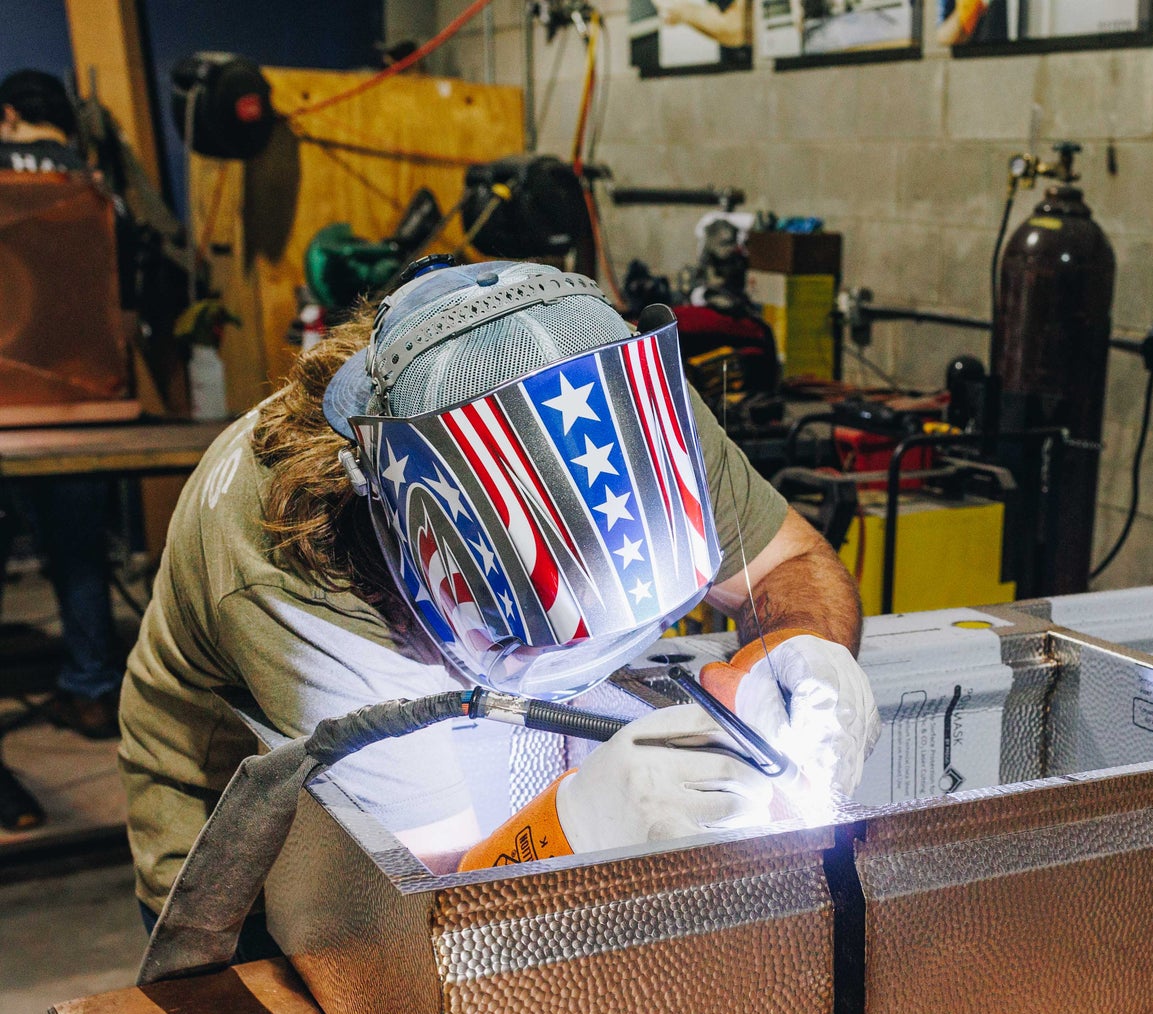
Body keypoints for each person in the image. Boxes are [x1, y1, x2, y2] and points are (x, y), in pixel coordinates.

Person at [119, 259, 879, 936]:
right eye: (533, 634)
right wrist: (585, 819)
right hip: (256, 845)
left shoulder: (628, 412)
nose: (582, 662)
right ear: (413, 543)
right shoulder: (300, 562)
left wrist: (800, 650)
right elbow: (432, 918)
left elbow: (793, 563)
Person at [1, 69, 125, 742]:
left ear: (10, 113)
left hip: (5, 406)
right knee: (80, 554)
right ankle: (92, 688)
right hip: (83, 401)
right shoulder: (95, 183)